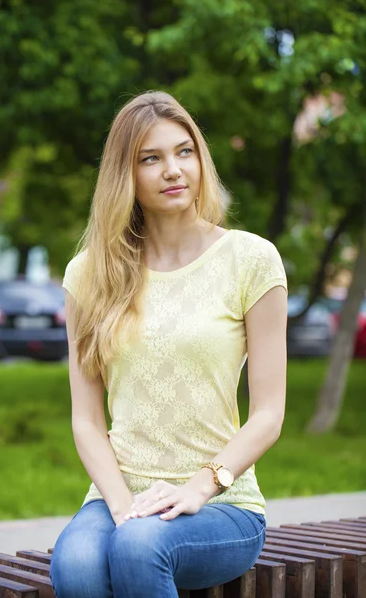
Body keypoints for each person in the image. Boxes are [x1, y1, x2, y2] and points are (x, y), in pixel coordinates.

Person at [49, 90, 288, 598]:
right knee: (77, 565)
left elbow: (269, 414)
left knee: (138, 546)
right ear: (125, 176)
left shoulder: (250, 259)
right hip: (119, 494)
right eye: (150, 159)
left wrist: (200, 487)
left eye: (184, 151)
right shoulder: (90, 273)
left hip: (222, 505)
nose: (173, 170)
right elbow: (87, 421)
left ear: (201, 159)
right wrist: (121, 507)